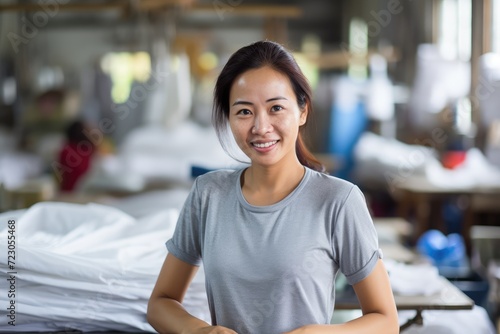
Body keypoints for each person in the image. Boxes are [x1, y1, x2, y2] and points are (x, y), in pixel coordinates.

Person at [147, 40, 399, 334]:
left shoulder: (338, 201)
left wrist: (316, 333)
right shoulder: (208, 194)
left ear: (302, 111)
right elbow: (160, 303)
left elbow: (385, 321)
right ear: (228, 117)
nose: (260, 127)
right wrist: (201, 331)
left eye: (276, 108)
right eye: (244, 112)